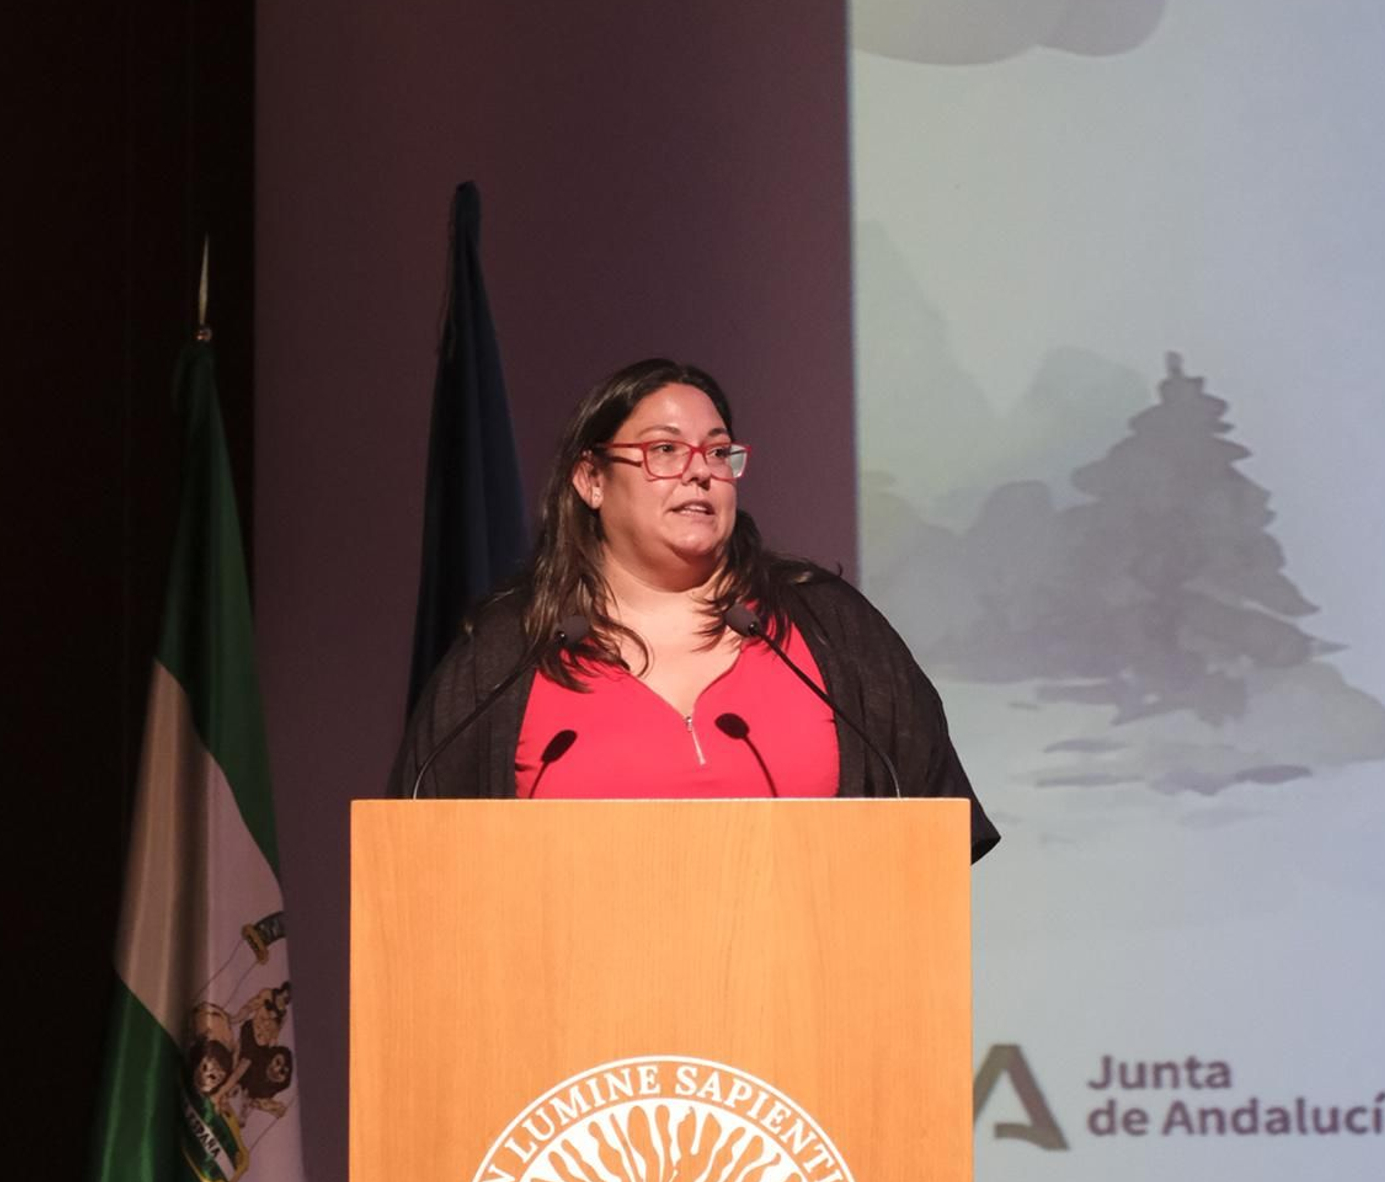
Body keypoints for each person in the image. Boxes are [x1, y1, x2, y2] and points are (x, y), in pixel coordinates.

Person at [390, 357, 998, 856]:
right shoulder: (508, 656)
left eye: (717, 453)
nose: (699, 474)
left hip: (809, 994)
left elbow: (935, 833)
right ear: (591, 480)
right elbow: (419, 858)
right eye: (664, 451)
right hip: (569, 997)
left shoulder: (829, 628)